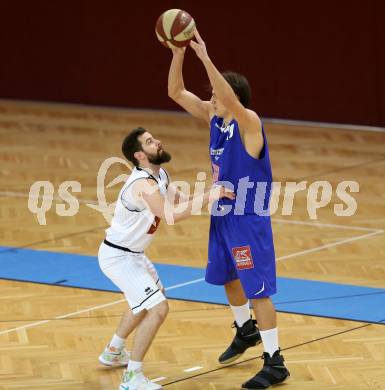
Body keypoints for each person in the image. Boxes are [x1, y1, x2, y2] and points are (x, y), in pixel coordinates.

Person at [167, 29, 290, 389]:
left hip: (248, 219)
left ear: (232, 98)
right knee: (227, 276)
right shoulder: (215, 119)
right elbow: (175, 92)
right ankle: (245, 328)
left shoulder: (249, 123)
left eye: (218, 95)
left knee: (258, 291)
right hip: (221, 213)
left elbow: (228, 98)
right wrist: (178, 53)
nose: (212, 99)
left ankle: (275, 361)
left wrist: (205, 58)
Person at [98, 127, 234, 390]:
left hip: (133, 255)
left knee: (148, 300)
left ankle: (114, 350)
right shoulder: (142, 184)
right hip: (118, 257)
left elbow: (180, 202)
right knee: (158, 308)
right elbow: (170, 215)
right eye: (150, 141)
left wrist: (212, 194)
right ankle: (131, 378)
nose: (157, 141)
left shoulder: (159, 175)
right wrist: (210, 196)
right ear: (139, 155)